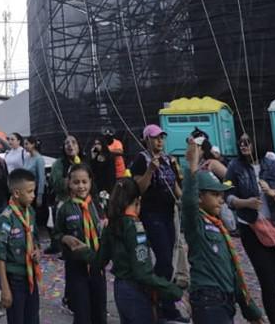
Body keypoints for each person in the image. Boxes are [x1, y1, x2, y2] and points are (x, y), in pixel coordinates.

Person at [180, 141, 264, 324]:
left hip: (226, 301)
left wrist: (251, 312)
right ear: (199, 197)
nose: (221, 200)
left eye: (221, 195)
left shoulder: (219, 227)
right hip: (207, 301)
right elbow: (188, 202)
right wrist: (192, 166)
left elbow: (233, 272)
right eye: (215, 195)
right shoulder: (196, 223)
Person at [224, 132, 275, 324]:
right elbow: (226, 192)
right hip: (251, 229)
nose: (243, 145)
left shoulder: (272, 163)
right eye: (241, 142)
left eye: (248, 142)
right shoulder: (234, 166)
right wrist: (244, 203)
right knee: (268, 282)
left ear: (257, 142)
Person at [103, 177, 184, 324]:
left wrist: (82, 250)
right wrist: (174, 291)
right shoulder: (134, 227)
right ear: (138, 200)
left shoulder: (112, 224)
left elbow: (100, 259)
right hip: (135, 290)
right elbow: (143, 273)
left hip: (120, 289)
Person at [129, 124, 185, 323]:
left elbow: (176, 188)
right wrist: (150, 171)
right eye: (155, 137)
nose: (159, 141)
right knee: (164, 259)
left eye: (162, 137)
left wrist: (185, 201)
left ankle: (157, 297)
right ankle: (164, 304)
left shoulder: (168, 159)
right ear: (146, 139)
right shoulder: (141, 160)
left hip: (169, 214)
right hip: (152, 214)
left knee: (168, 258)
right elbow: (138, 188)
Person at [55, 163, 106, 324]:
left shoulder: (98, 205)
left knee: (99, 310)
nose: (81, 186)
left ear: (90, 182)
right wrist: (64, 238)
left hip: (97, 265)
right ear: (69, 183)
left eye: (84, 182)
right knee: (82, 312)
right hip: (76, 267)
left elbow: (106, 229)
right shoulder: (64, 208)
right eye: (76, 182)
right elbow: (56, 235)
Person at [0, 168, 42, 324]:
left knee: (33, 318)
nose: (33, 195)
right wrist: (5, 288)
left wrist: (37, 251)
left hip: (30, 276)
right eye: (29, 192)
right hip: (15, 280)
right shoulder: (6, 218)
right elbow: (0, 255)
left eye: (33, 191)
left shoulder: (30, 212)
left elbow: (35, 239)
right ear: (16, 193)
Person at [24, 137, 48, 230]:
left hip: (37, 189)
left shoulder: (39, 159)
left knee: (39, 214)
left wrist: (40, 195)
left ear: (33, 144)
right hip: (28, 189)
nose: (25, 146)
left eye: (27, 144)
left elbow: (41, 178)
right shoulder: (27, 157)